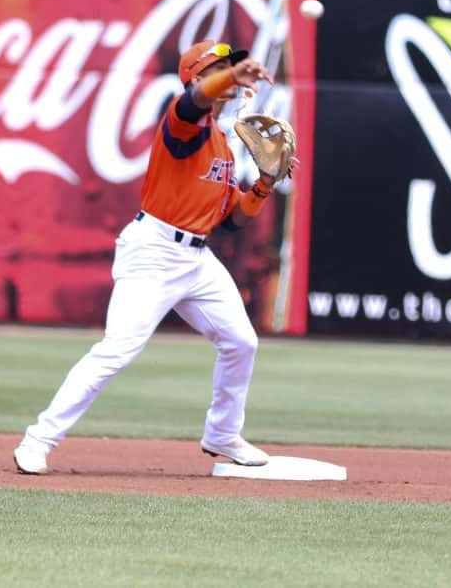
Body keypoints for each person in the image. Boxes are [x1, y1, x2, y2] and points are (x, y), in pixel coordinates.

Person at [14, 40, 290, 475]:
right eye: (218, 67)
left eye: (230, 66)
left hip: (197, 258)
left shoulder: (221, 143)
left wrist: (265, 183)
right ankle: (38, 440)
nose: (229, 72)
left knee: (242, 342)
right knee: (116, 350)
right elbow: (193, 102)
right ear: (197, 78)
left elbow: (232, 221)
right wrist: (232, 75)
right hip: (154, 250)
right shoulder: (183, 124)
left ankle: (222, 434)